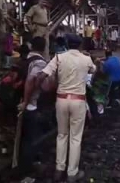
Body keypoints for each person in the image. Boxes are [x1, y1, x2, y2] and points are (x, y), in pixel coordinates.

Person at [37, 34, 96, 182]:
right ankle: (72, 173)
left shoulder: (58, 57)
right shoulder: (86, 59)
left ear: (67, 44)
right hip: (78, 101)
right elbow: (94, 70)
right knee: (76, 138)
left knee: (62, 135)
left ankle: (59, 169)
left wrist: (39, 91)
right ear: (80, 45)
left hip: (61, 100)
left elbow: (42, 75)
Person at [17, 37, 48, 179]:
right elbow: (31, 81)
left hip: (18, 103)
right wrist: (26, 102)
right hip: (30, 105)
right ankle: (28, 169)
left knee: (23, 137)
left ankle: (21, 164)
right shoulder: (40, 62)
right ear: (44, 47)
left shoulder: (24, 59)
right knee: (31, 138)